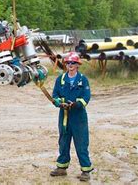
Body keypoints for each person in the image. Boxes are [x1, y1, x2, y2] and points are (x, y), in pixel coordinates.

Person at [50, 52, 93, 181]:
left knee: (81, 143)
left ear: (78, 65)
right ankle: (61, 168)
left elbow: (86, 97)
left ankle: (85, 171)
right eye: (68, 63)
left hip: (78, 117)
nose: (70, 65)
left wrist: (76, 104)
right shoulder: (61, 79)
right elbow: (55, 94)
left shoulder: (83, 79)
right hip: (64, 116)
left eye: (73, 63)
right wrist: (57, 102)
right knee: (63, 142)